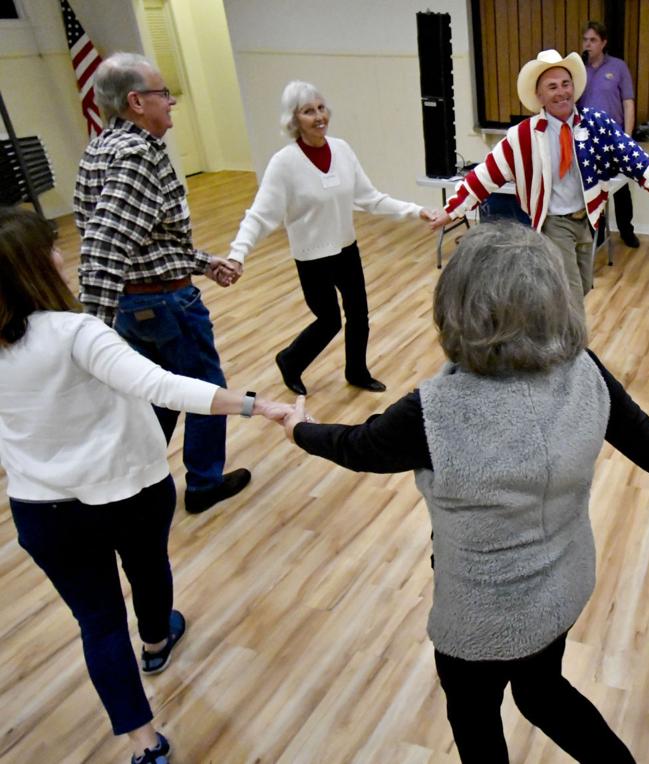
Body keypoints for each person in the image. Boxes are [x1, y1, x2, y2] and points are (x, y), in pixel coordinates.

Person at [271, 221, 649, 763]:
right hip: (562, 588)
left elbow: (355, 447)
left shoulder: (431, 412)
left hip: (477, 620)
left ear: (458, 306)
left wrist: (299, 428)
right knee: (541, 691)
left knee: (476, 722)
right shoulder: (584, 371)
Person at [0, 207, 288, 764]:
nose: (66, 257)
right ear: (34, 266)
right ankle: (156, 641)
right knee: (148, 565)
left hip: (43, 512)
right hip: (127, 492)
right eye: (54, 249)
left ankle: (144, 744)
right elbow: (162, 384)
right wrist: (257, 405)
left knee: (98, 622)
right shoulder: (75, 331)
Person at [75, 52, 251, 515]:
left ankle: (140, 478)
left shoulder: (100, 148)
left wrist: (203, 262)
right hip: (166, 305)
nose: (171, 102)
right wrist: (88, 331)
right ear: (136, 101)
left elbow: (145, 241)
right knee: (206, 389)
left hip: (141, 306)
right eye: (162, 93)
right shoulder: (137, 157)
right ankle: (204, 484)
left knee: (159, 390)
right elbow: (106, 244)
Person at [428, 49, 649, 308]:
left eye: (566, 84)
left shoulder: (597, 124)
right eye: (552, 86)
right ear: (539, 96)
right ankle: (573, 349)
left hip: (587, 220)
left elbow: (638, 161)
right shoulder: (522, 136)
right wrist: (450, 212)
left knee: (583, 286)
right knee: (572, 295)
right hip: (553, 223)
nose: (561, 92)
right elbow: (484, 176)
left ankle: (549, 331)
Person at [228, 81, 435, 396]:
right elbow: (260, 216)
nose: (318, 116)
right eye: (308, 111)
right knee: (328, 321)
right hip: (311, 256)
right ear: (294, 120)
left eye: (321, 108)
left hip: (345, 249)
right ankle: (290, 360)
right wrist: (236, 254)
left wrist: (415, 211)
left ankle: (357, 371)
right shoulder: (284, 163)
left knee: (358, 315)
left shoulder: (341, 150)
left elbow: (370, 198)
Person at [579, 20, 640, 248]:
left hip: (614, 139)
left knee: (621, 188)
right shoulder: (578, 69)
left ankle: (627, 230)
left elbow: (628, 103)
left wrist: (627, 137)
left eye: (593, 40)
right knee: (595, 187)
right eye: (585, 40)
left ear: (603, 42)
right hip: (588, 140)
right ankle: (599, 231)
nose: (588, 44)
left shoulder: (618, 67)